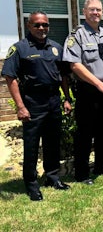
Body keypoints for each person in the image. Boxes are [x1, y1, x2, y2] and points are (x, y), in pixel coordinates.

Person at [1, 11, 72, 201]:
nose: (42, 28)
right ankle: (31, 184)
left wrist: (66, 98)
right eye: (37, 25)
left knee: (52, 142)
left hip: (53, 100)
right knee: (31, 145)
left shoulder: (56, 47)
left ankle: (52, 177)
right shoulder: (19, 49)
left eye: (45, 25)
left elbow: (64, 76)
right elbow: (10, 77)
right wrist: (20, 106)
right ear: (28, 26)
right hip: (33, 102)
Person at [63, 0, 103, 185]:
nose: (96, 13)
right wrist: (98, 84)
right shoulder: (77, 36)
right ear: (84, 12)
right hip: (89, 90)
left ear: (102, 13)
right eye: (92, 10)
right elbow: (74, 65)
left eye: (99, 10)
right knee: (85, 132)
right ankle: (82, 173)